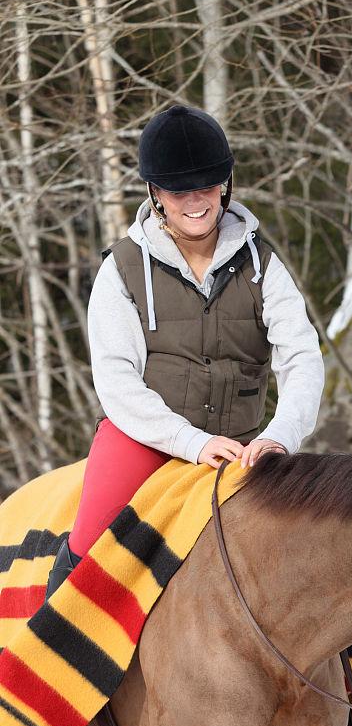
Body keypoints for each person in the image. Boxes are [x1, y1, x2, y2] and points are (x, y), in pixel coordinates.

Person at [45, 103, 325, 596]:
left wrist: (279, 435)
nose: (195, 202)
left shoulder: (263, 264)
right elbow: (117, 379)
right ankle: (53, 651)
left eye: (207, 187)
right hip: (144, 440)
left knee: (317, 560)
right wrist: (190, 442)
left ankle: (344, 668)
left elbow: (301, 356)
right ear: (156, 193)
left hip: (242, 445)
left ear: (225, 185)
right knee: (88, 552)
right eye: (179, 191)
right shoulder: (123, 269)